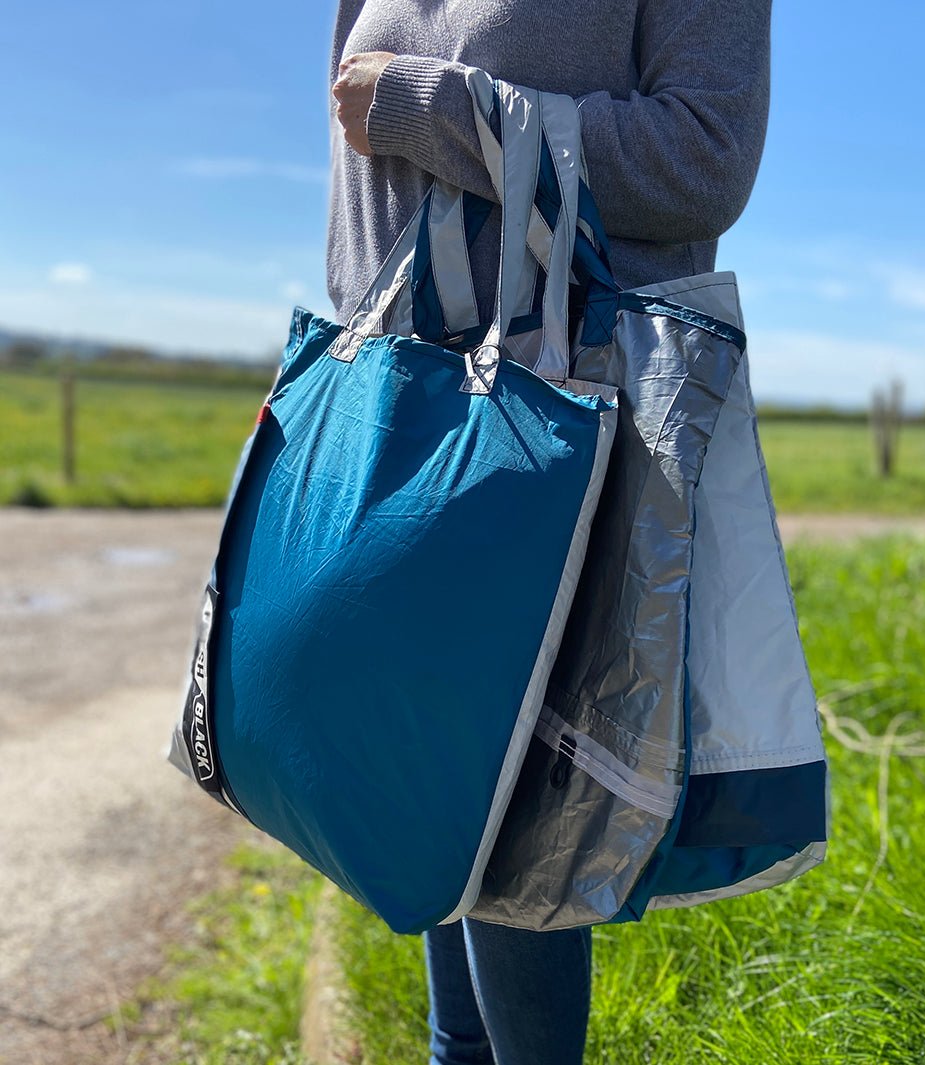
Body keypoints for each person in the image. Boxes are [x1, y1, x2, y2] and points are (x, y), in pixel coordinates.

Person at [327, 2, 772, 1062]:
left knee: (512, 817)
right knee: (430, 784)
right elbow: (363, 202)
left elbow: (702, 159)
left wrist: (430, 104)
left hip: (559, 427)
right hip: (394, 426)